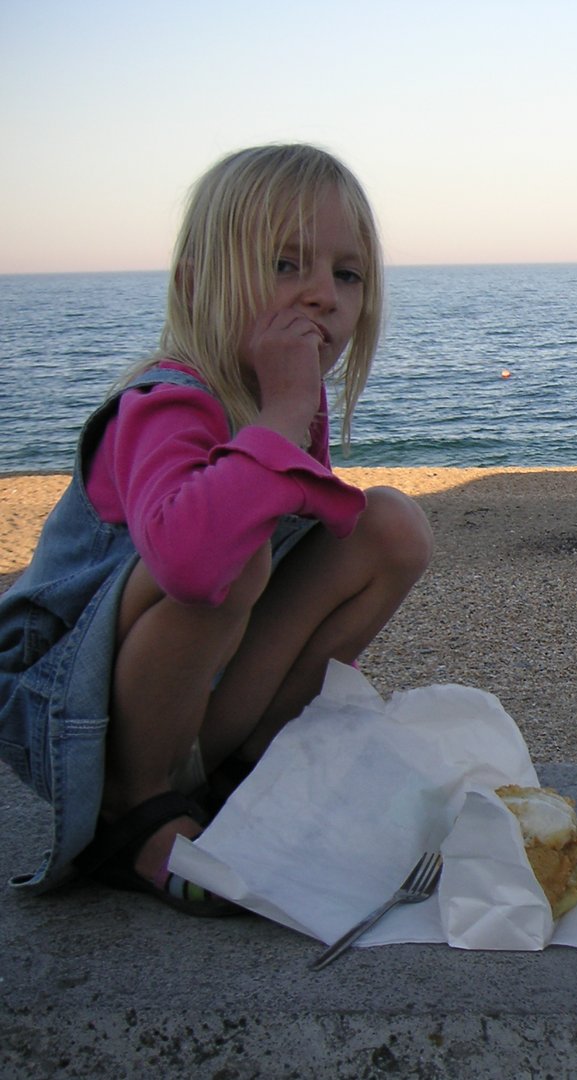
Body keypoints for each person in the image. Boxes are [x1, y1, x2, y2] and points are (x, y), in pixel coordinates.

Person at [0, 144, 434, 912]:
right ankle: (134, 813)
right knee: (231, 553)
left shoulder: (286, 401)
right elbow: (193, 564)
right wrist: (282, 415)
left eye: (347, 274)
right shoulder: (166, 403)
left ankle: (249, 770)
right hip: (69, 709)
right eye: (285, 265)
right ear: (197, 284)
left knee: (392, 525)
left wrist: (289, 420)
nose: (322, 296)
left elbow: (321, 535)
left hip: (188, 695)